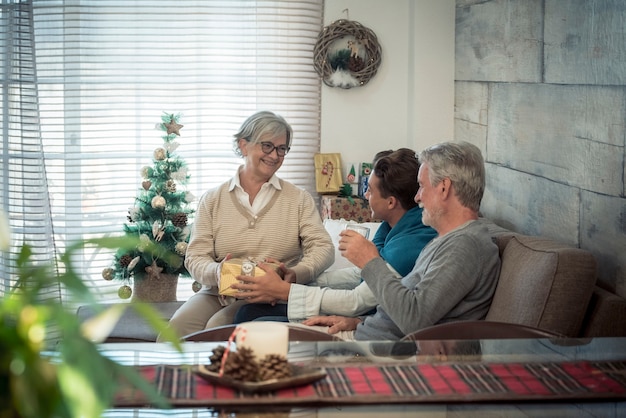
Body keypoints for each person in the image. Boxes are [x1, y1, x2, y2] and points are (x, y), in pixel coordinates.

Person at [297, 141, 501, 340]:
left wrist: (371, 262)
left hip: (384, 352)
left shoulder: (465, 246)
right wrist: (360, 322)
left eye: (422, 186)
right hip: (366, 333)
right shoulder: (447, 239)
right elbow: (405, 305)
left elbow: (413, 318)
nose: (417, 197)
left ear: (444, 188)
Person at [159, 111, 335, 340]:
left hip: (271, 296)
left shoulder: (298, 199)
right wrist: (217, 272)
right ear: (243, 145)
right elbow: (194, 257)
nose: (275, 155)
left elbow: (324, 248)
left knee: (217, 329)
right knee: (172, 335)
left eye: (282, 148)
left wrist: (293, 274)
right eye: (267, 146)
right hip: (217, 293)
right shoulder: (213, 199)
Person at [231, 148, 437, 323]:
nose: (365, 195)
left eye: (370, 191)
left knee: (250, 316)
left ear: (391, 202)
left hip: (367, 319)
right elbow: (360, 275)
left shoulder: (410, 246)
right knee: (249, 312)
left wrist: (285, 292)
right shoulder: (393, 228)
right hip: (362, 309)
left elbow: (356, 301)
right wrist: (294, 281)